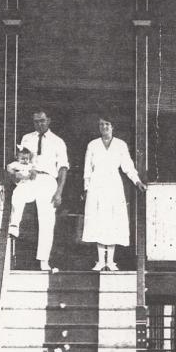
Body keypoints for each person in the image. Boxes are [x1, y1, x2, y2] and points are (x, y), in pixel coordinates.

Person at [82, 115, 146, 271]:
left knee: (112, 220)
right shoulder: (93, 145)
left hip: (113, 185)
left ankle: (110, 261)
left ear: (113, 127)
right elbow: (87, 169)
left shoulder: (120, 145)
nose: (104, 127)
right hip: (96, 185)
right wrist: (86, 188)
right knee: (98, 220)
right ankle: (100, 261)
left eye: (107, 124)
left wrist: (137, 181)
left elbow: (128, 166)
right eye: (101, 124)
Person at [17, 109, 69, 271]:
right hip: (30, 178)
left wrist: (59, 191)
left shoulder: (57, 141)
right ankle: (13, 227)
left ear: (49, 121)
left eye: (42, 121)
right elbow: (20, 160)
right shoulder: (26, 138)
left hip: (47, 180)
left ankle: (43, 261)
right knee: (16, 200)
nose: (39, 124)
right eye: (36, 121)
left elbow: (63, 168)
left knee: (46, 221)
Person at [6, 146, 37, 238]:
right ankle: (14, 227)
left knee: (18, 198)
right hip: (22, 186)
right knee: (16, 200)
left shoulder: (30, 166)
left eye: (27, 159)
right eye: (22, 158)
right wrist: (15, 173)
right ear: (17, 157)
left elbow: (33, 173)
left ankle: (15, 227)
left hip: (30, 186)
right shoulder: (16, 164)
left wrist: (31, 175)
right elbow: (8, 167)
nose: (25, 160)